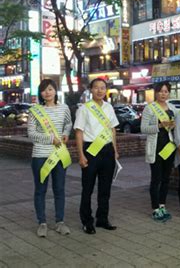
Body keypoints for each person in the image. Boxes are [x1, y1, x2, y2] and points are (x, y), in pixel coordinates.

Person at [74, 78, 120, 234]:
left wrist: (115, 150)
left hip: (107, 151)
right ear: (90, 90)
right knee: (87, 189)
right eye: (96, 88)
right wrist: (80, 155)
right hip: (91, 151)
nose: (100, 90)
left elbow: (113, 130)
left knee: (105, 188)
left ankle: (102, 219)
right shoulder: (84, 109)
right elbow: (79, 132)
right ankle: (87, 221)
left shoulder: (109, 108)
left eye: (103, 88)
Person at [28, 79, 72, 237]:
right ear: (40, 93)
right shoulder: (35, 110)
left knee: (59, 189)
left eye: (50, 89)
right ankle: (42, 223)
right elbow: (31, 134)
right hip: (40, 155)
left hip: (59, 154)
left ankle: (60, 222)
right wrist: (51, 139)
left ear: (55, 91)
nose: (47, 92)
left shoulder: (64, 108)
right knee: (40, 190)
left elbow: (68, 123)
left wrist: (66, 134)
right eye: (44, 90)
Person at [141, 82, 177, 222]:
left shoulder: (172, 107)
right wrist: (160, 125)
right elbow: (143, 128)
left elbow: (175, 126)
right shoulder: (150, 108)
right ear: (156, 92)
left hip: (169, 147)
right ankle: (155, 208)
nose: (163, 94)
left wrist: (172, 126)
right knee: (156, 178)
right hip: (156, 147)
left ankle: (162, 205)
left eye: (166, 91)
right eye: (161, 91)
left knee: (166, 178)